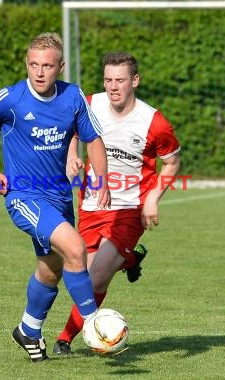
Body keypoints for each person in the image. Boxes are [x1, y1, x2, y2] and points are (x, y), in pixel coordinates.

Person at [0, 32, 110, 362]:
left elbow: (93, 139)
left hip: (59, 197)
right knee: (75, 247)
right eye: (33, 65)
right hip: (23, 197)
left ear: (60, 66)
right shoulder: (11, 98)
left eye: (47, 66)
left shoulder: (72, 97)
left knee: (51, 269)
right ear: (26, 64)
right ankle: (95, 325)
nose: (39, 72)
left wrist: (102, 180)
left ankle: (28, 329)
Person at [53, 52, 181, 355]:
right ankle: (129, 260)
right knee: (81, 276)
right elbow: (72, 129)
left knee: (97, 275)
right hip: (92, 203)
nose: (113, 86)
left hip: (129, 208)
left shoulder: (154, 121)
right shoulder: (91, 104)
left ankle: (64, 339)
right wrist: (74, 154)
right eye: (108, 80)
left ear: (134, 81)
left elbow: (172, 162)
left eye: (120, 80)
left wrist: (152, 200)